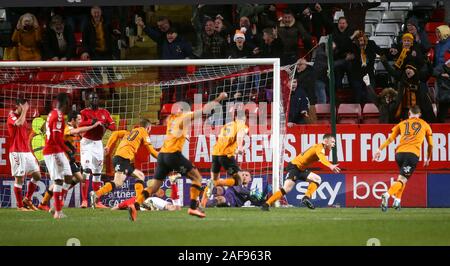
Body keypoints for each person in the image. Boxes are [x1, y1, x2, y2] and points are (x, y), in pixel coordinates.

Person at [133, 92, 229, 220]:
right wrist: (220, 98)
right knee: (197, 178)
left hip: (162, 155)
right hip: (173, 155)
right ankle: (193, 208)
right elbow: (205, 110)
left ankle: (135, 205)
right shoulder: (185, 116)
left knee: (154, 186)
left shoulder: (171, 118)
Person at [90, 118, 159, 211]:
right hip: (122, 159)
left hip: (119, 158)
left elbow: (115, 133)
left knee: (119, 182)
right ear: (148, 128)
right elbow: (152, 151)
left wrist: (108, 145)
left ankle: (96, 194)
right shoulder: (144, 132)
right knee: (140, 176)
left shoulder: (129, 132)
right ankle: (139, 202)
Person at [38, 111, 101, 211]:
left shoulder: (73, 127)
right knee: (59, 181)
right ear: (72, 120)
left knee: (80, 179)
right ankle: (45, 202)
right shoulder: (68, 128)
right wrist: (92, 126)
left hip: (69, 159)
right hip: (62, 158)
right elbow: (75, 132)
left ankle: (58, 196)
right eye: (79, 120)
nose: (80, 122)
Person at [373, 106, 433, 211]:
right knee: (403, 179)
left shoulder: (402, 123)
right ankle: (387, 194)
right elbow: (431, 144)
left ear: (409, 113)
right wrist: (428, 158)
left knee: (402, 179)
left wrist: (379, 149)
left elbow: (390, 138)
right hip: (412, 155)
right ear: (419, 114)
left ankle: (397, 201)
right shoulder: (425, 125)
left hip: (399, 154)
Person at [261, 134, 341, 211]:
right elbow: (323, 159)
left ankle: (305, 198)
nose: (334, 144)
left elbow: (321, 158)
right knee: (287, 189)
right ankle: (266, 204)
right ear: (326, 141)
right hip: (294, 167)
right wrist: (331, 166)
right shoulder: (320, 148)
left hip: (301, 169)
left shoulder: (320, 148)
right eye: (332, 142)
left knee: (317, 179)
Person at [200, 110, 251, 208]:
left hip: (215, 154)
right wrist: (240, 146)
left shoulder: (227, 125)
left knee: (213, 180)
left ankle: (203, 203)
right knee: (239, 180)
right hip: (226, 155)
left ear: (235, 118)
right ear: (244, 119)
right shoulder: (242, 125)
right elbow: (240, 134)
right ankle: (218, 182)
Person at [79, 91, 116, 208]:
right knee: (86, 171)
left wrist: (105, 125)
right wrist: (92, 122)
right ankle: (84, 200)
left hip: (98, 144)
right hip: (87, 143)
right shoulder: (84, 112)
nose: (94, 100)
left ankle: (97, 201)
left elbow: (114, 127)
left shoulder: (104, 112)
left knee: (97, 173)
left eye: (96, 98)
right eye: (92, 98)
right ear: (88, 100)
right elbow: (80, 124)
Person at [7, 98, 43, 211]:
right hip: (16, 151)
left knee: (37, 175)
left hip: (26, 151)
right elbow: (18, 123)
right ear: (18, 105)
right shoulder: (11, 115)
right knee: (19, 179)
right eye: (25, 105)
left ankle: (27, 199)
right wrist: (24, 111)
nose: (27, 108)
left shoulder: (23, 118)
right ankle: (20, 206)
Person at [43, 93, 73, 219]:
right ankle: (58, 212)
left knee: (69, 178)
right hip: (53, 151)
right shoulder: (59, 116)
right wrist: (67, 149)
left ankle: (57, 206)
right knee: (58, 180)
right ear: (65, 103)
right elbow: (55, 137)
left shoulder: (52, 113)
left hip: (57, 150)